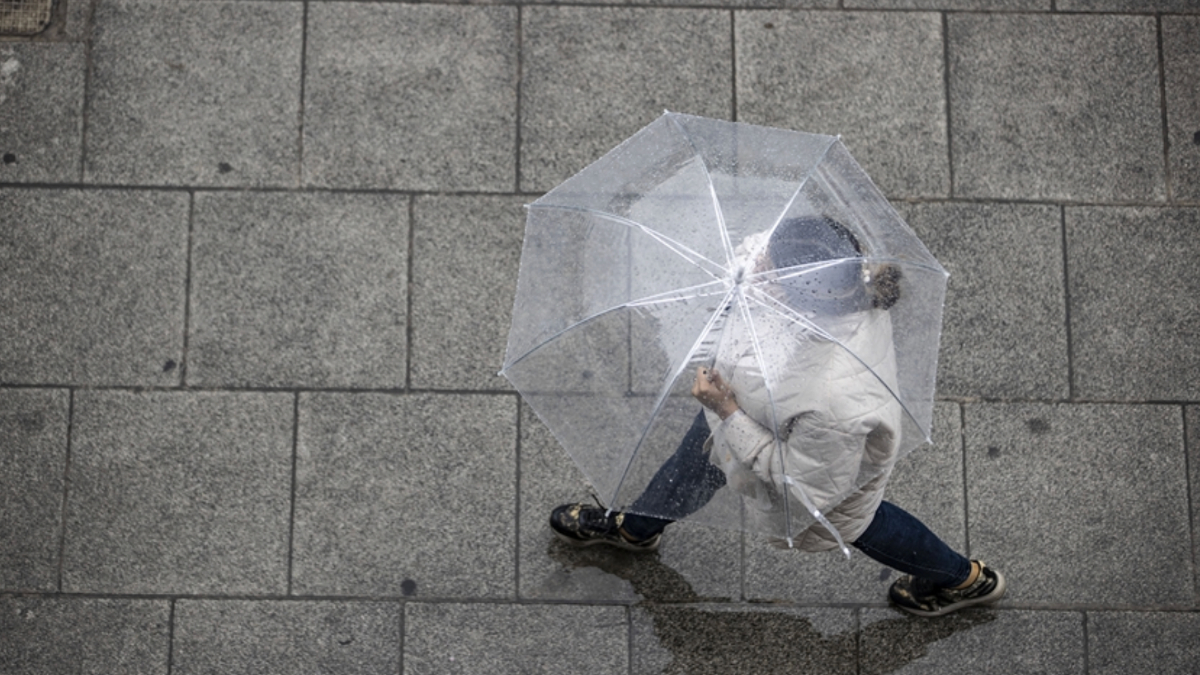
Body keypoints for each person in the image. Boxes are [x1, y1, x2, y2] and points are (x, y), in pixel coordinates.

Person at [550, 215, 1005, 618]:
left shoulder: (833, 399)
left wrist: (727, 411)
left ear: (802, 289)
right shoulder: (833, 278)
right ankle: (636, 528)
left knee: (862, 522)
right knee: (692, 466)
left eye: (771, 264)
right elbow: (758, 277)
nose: (760, 261)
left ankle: (963, 580)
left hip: (810, 461)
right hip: (749, 413)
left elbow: (802, 482)